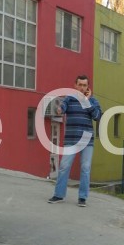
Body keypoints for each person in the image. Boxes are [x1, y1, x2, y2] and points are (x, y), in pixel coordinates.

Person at [48, 75, 102, 207]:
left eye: (85, 85)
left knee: (85, 168)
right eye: (80, 85)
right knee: (64, 167)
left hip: (87, 141)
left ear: (88, 87)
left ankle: (82, 198)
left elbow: (97, 116)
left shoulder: (93, 101)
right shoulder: (69, 99)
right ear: (75, 85)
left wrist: (87, 101)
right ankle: (59, 195)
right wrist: (60, 109)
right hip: (71, 140)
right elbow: (62, 109)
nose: (82, 87)